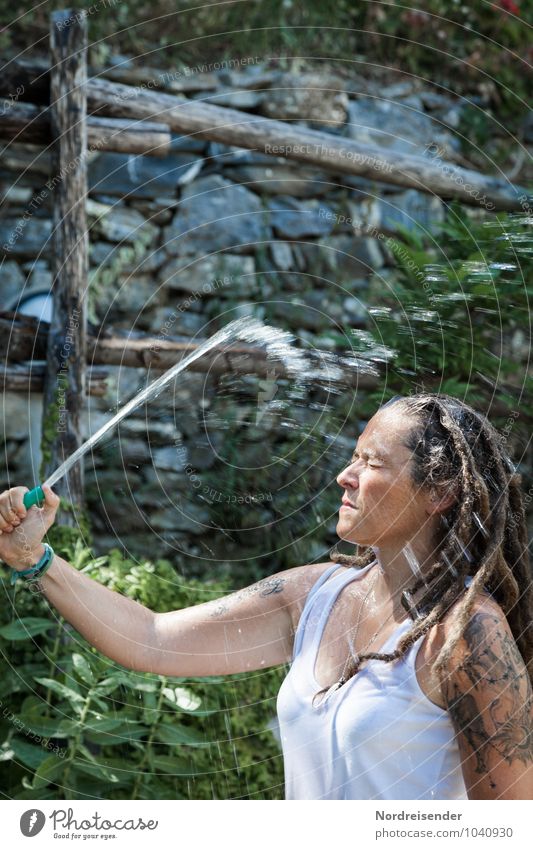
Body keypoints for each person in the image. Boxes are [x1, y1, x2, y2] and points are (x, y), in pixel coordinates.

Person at [0, 393, 531, 800]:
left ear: (439, 493)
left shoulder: (466, 635)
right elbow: (151, 638)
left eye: (371, 464)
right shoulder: (311, 596)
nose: (344, 476)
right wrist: (36, 560)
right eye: (353, 457)